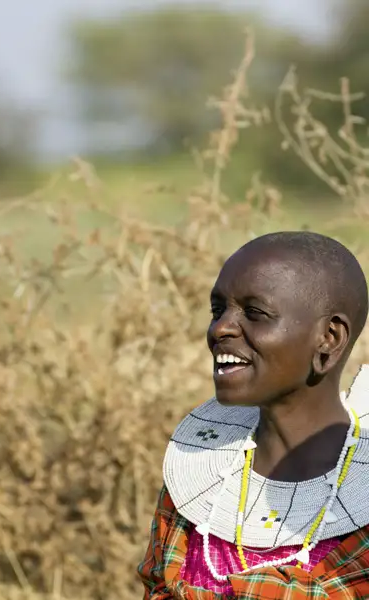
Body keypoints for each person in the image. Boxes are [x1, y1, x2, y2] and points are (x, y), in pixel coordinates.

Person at [137, 231, 369, 598]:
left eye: (255, 313)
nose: (220, 328)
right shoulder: (201, 478)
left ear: (329, 339)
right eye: (218, 310)